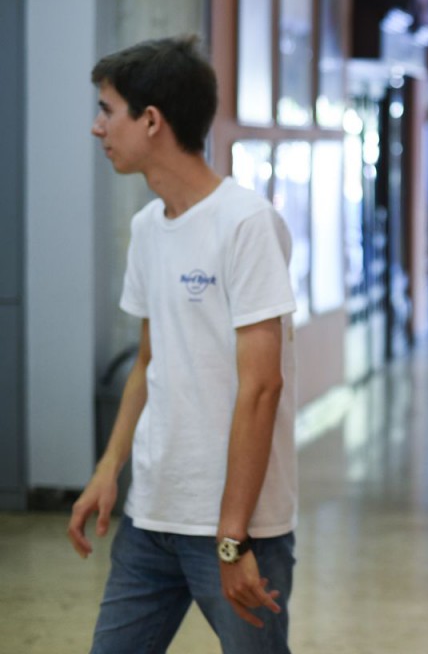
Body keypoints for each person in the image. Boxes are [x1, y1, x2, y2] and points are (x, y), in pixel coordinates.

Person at [71, 36, 298, 653]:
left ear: (151, 120)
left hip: (238, 529)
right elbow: (149, 362)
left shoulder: (247, 223)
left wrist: (232, 537)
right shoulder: (148, 227)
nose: (97, 127)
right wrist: (107, 471)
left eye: (107, 110)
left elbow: (262, 386)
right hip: (152, 518)